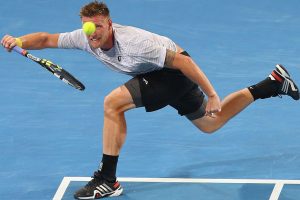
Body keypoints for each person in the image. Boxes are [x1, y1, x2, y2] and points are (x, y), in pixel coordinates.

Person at [1, 1, 299, 199]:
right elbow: (46, 38)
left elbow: (184, 63)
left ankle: (107, 178)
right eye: (88, 27)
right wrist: (20, 41)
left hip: (172, 71)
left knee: (112, 103)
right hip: (163, 77)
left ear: (109, 24)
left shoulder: (134, 43)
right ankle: (272, 84)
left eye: (98, 27)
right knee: (211, 124)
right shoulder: (84, 37)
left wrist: (211, 92)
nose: (92, 33)